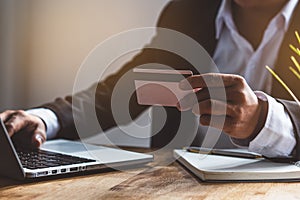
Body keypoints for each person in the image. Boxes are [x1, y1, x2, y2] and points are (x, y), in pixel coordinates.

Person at [1, 0, 299, 159]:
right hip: (178, 187)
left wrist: (265, 120)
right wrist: (46, 118)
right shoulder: (189, 10)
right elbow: (126, 88)